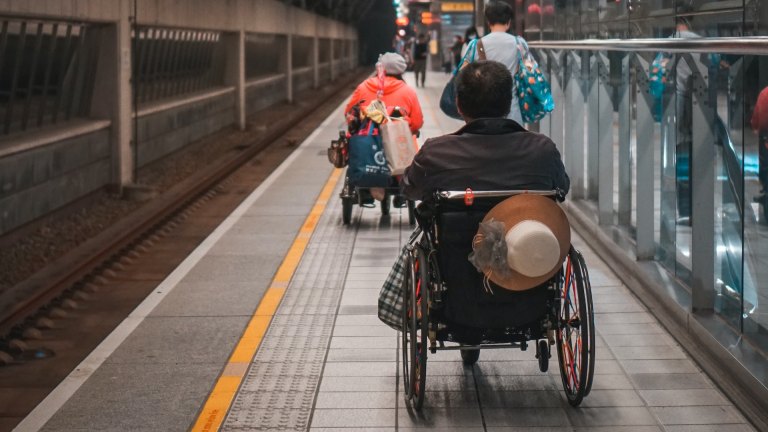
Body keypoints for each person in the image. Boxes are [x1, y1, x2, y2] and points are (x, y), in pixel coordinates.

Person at [378, 60, 570, 329]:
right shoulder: (542, 149)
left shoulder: (437, 152)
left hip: (457, 303)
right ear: (508, 101)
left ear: (459, 105)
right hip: (532, 292)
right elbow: (562, 188)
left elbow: (410, 189)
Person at [460, 0, 531, 124]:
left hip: (480, 113)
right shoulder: (520, 44)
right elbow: (528, 71)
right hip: (512, 112)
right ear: (508, 22)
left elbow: (463, 75)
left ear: (489, 22)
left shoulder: (476, 45)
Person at [345, 52, 424, 135]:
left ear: (379, 68)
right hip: (397, 142)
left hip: (366, 142)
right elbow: (417, 123)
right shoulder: (408, 91)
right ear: (401, 72)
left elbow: (348, 114)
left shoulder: (363, 87)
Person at [752, 86, 768, 204]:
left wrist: (756, 127)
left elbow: (757, 121)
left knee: (765, 167)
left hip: (766, 140)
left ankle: (766, 192)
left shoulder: (764, 93)